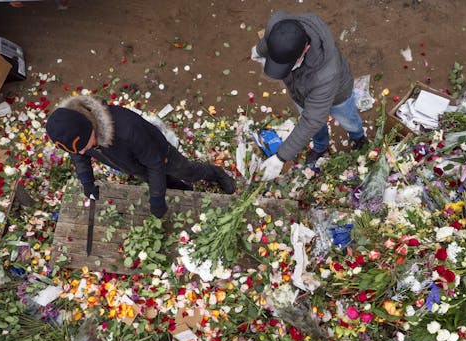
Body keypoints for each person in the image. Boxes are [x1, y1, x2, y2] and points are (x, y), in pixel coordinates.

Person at [45, 96, 235, 218]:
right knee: (167, 183)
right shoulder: (74, 131)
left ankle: (216, 173)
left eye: (84, 147)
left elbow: (155, 163)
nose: (80, 153)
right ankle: (184, 189)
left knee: (186, 170)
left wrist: (156, 197)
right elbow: (79, 156)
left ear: (90, 129)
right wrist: (87, 181)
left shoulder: (127, 130)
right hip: (131, 163)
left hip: (159, 154)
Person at [253, 12, 368, 180]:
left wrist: (280, 157)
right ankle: (321, 146)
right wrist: (259, 50)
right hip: (301, 92)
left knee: (347, 119)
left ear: (306, 48)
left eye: (288, 64)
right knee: (313, 124)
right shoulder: (279, 25)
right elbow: (269, 42)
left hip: (337, 95)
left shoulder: (326, 73)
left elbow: (312, 119)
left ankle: (358, 136)